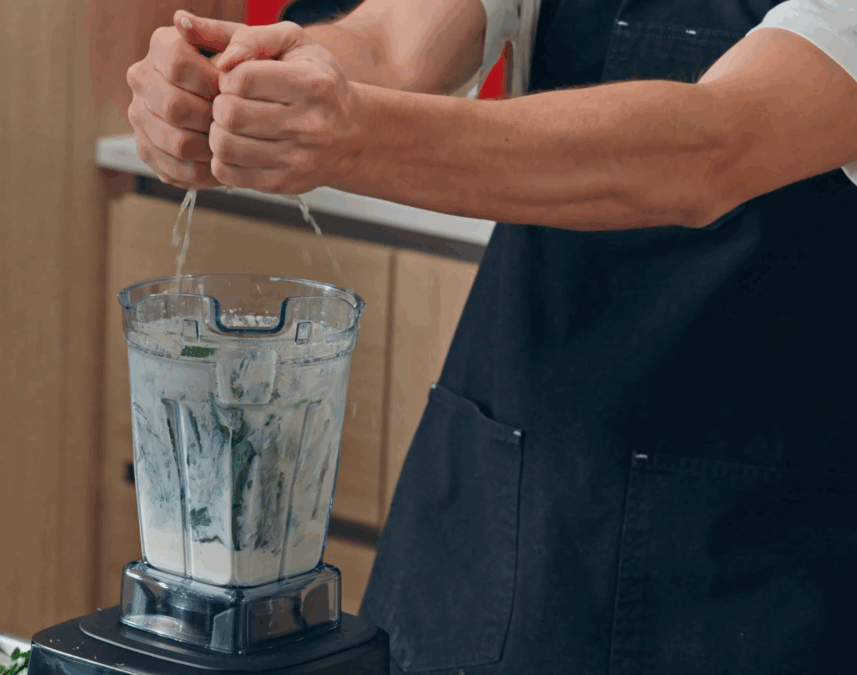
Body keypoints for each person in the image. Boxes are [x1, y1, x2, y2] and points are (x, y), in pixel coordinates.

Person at [125, 1, 857, 673]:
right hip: (498, 507)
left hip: (762, 555)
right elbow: (391, 39)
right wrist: (254, 80)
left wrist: (353, 136)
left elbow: (713, 149)